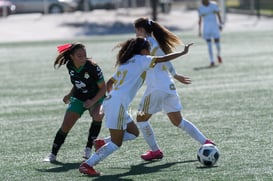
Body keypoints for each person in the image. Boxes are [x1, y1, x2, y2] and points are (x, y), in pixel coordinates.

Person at [79, 37, 193, 176]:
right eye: (149, 50)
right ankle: (88, 164)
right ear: (143, 51)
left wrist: (112, 98)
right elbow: (162, 59)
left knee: (133, 133)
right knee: (116, 143)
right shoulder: (141, 59)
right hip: (118, 103)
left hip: (114, 101)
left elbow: (110, 83)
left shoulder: (126, 62)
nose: (150, 53)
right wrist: (182, 52)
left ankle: (102, 142)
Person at [132, 17, 215, 161]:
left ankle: (155, 151)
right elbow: (165, 58)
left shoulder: (146, 44)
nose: (135, 34)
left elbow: (141, 62)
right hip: (168, 86)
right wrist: (175, 75)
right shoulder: (156, 43)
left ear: (141, 30)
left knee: (141, 119)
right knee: (178, 121)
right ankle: (206, 142)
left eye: (136, 31)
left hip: (156, 88)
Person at [43, 42, 106, 162]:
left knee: (98, 115)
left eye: (84, 55)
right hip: (79, 97)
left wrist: (92, 101)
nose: (83, 58)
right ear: (71, 56)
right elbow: (77, 84)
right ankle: (53, 154)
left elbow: (103, 88)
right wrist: (70, 94)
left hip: (96, 97)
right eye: (79, 56)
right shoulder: (70, 66)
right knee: (66, 125)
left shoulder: (92, 67)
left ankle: (88, 148)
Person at [198, 0, 223, 67]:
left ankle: (218, 54)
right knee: (209, 44)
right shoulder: (200, 8)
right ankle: (212, 60)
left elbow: (218, 15)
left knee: (217, 43)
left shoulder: (214, 5)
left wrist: (220, 24)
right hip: (206, 28)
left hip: (214, 27)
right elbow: (200, 20)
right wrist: (199, 31)